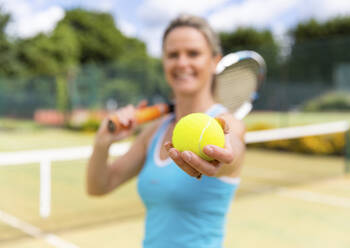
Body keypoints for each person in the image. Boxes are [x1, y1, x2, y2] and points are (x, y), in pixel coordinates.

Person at [86, 13, 246, 248]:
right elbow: (99, 186)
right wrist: (102, 142)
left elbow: (232, 150)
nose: (182, 63)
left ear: (214, 62)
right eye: (173, 55)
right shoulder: (154, 132)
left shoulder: (227, 123)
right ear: (164, 62)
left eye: (193, 53)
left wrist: (222, 157)